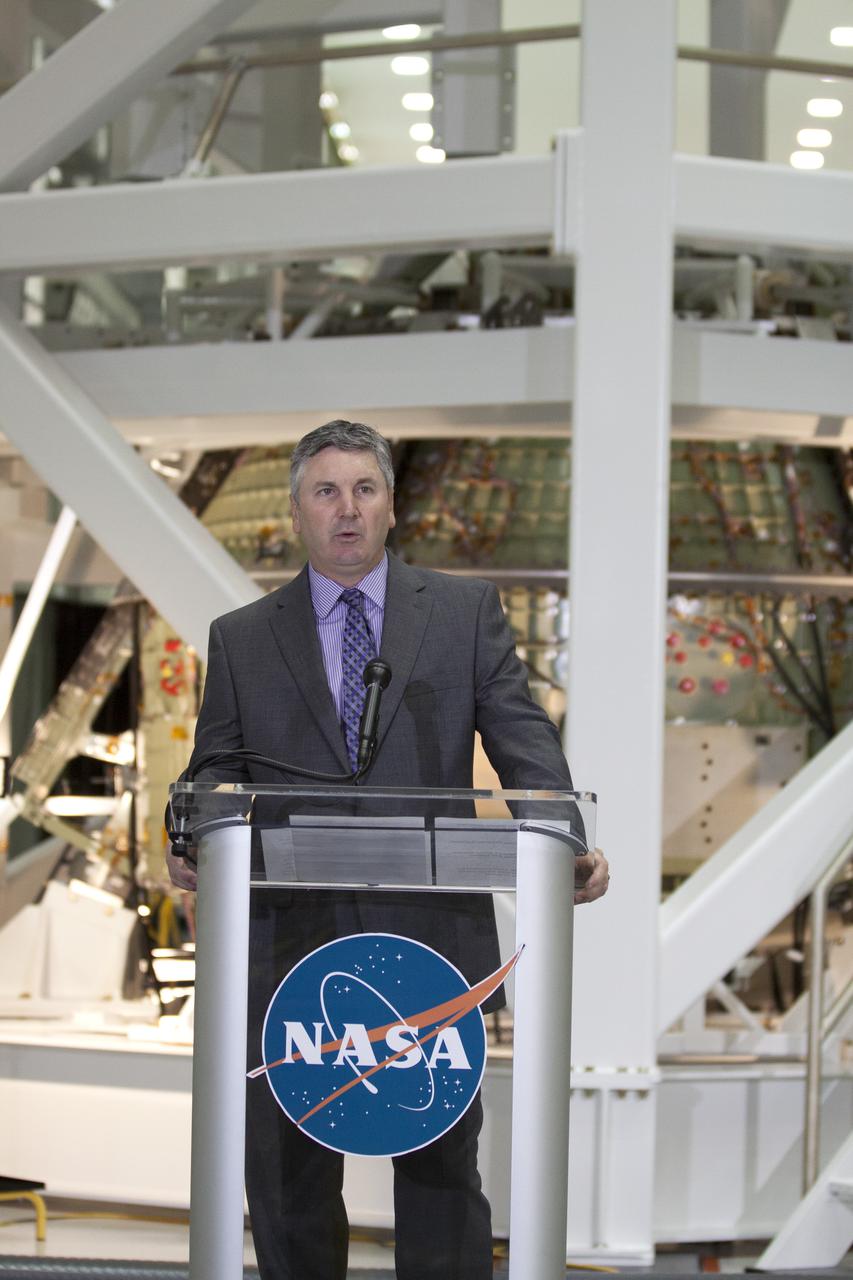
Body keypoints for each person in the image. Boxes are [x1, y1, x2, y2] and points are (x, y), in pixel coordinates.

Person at [168, 419, 609, 1280]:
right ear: (296, 512)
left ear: (392, 506)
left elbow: (523, 742)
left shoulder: (460, 613)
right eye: (325, 492)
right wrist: (193, 835)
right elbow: (214, 764)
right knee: (287, 1172)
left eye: (364, 490)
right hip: (289, 937)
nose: (346, 510)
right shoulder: (242, 637)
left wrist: (565, 841)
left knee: (440, 1165)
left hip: (426, 939)